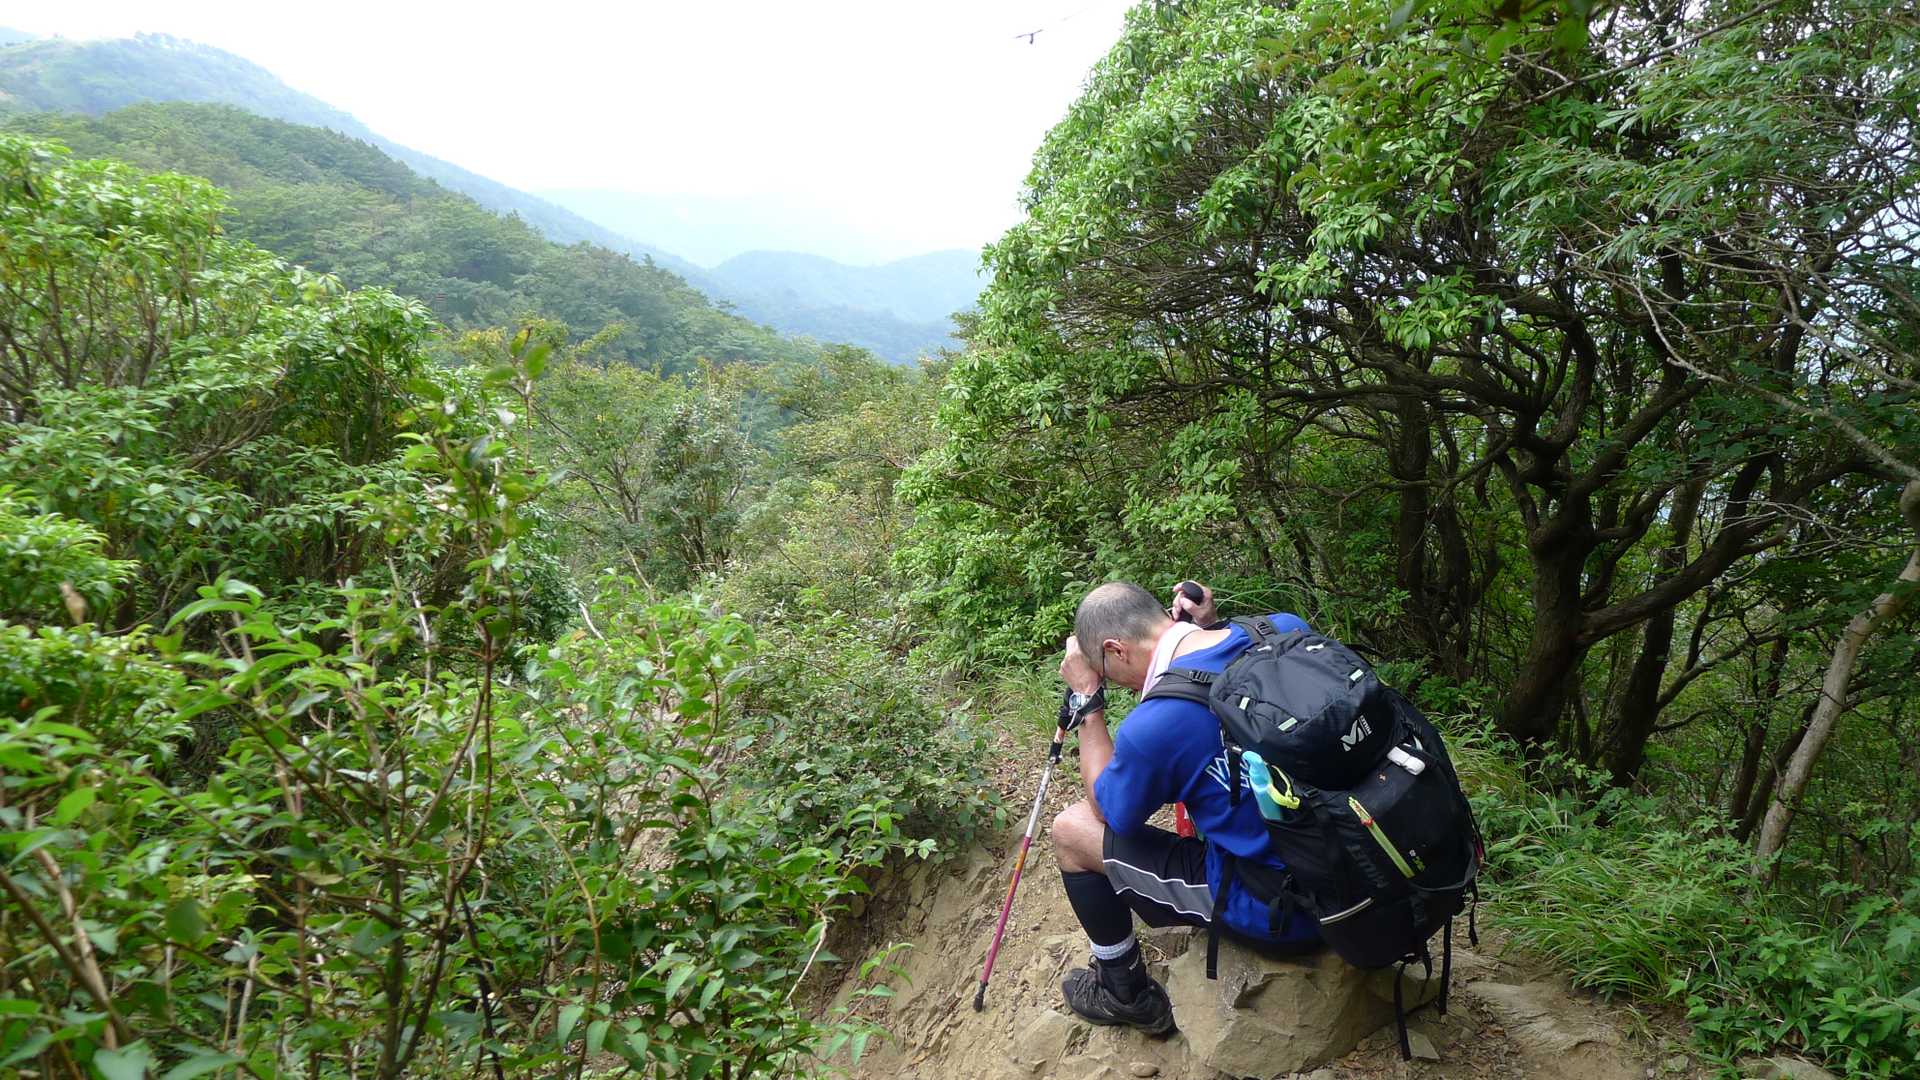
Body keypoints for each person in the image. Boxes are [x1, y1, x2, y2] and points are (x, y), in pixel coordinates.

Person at [1051, 580, 1321, 1035]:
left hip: (1286, 910)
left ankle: (1124, 992)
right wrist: (1210, 627)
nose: (1114, 683)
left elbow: (1107, 810)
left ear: (1116, 650)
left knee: (1070, 830)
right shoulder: (1281, 629)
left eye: (1105, 672)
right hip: (1367, 871)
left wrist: (1087, 701)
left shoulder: (1158, 724)